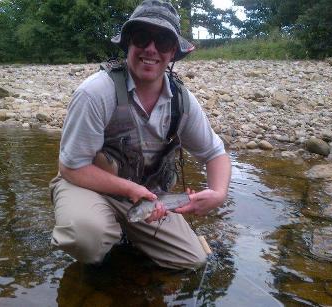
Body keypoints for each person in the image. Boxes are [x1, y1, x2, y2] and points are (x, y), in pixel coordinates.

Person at [50, 0, 231, 270]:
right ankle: (102, 227)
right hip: (87, 184)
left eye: (163, 41)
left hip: (147, 200)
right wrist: (131, 190)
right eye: (142, 37)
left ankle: (127, 234)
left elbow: (215, 153)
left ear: (173, 53)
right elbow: (71, 167)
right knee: (87, 237)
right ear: (128, 44)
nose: (151, 48)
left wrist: (218, 193)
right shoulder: (95, 93)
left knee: (192, 260)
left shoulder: (182, 101)